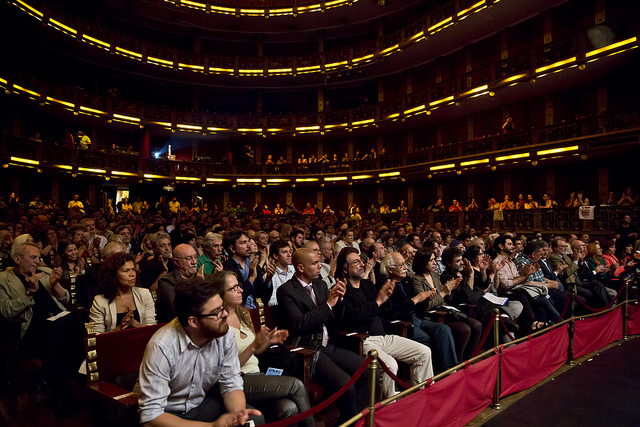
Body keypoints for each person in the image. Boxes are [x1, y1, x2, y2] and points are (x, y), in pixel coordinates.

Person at [138, 277, 264, 426]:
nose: (225, 315)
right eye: (217, 312)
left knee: (253, 420)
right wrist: (211, 426)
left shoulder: (224, 334)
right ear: (193, 322)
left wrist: (237, 415)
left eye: (223, 307)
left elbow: (231, 383)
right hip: (168, 412)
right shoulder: (162, 346)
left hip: (201, 403)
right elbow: (151, 415)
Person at [276, 248, 368, 424]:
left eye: (319, 262)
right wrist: (328, 304)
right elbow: (300, 324)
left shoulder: (320, 285)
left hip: (328, 345)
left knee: (367, 370)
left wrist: (339, 300)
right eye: (315, 263)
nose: (320, 266)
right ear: (301, 268)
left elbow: (333, 317)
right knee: (345, 383)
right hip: (309, 350)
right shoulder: (286, 291)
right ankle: (352, 420)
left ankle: (349, 419)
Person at [221, 271, 315, 426]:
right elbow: (227, 369)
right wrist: (253, 347)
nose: (241, 290)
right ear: (220, 294)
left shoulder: (243, 312)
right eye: (233, 288)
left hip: (256, 373)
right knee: (296, 385)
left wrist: (269, 341)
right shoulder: (217, 322)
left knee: (288, 407)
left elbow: (256, 351)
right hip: (237, 380)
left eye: (239, 286)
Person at [336, 248, 433, 398]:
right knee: (390, 365)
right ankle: (388, 407)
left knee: (423, 352)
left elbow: (384, 311)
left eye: (361, 260)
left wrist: (387, 297)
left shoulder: (367, 285)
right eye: (356, 262)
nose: (362, 264)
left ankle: (422, 397)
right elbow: (351, 318)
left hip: (384, 335)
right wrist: (378, 302)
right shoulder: (341, 289)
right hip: (364, 341)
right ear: (345, 268)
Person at [0, 242, 82, 418]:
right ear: (17, 259)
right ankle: (61, 391)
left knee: (68, 326)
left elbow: (66, 298)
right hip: (31, 330)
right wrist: (29, 292)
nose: (38, 261)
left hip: (59, 326)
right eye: (33, 257)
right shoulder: (3, 279)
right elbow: (7, 310)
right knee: (69, 328)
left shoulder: (44, 272)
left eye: (39, 257)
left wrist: (55, 285)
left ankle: (48, 384)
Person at [89, 252, 155, 333]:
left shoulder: (144, 294)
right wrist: (119, 328)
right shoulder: (100, 301)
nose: (132, 274)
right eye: (126, 270)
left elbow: (152, 328)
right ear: (114, 274)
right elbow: (97, 336)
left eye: (133, 270)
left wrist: (136, 324)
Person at [156, 243, 207, 323]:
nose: (194, 262)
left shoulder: (204, 277)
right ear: (176, 262)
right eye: (189, 258)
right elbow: (178, 309)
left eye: (195, 257)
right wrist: (197, 284)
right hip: (176, 328)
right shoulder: (166, 282)